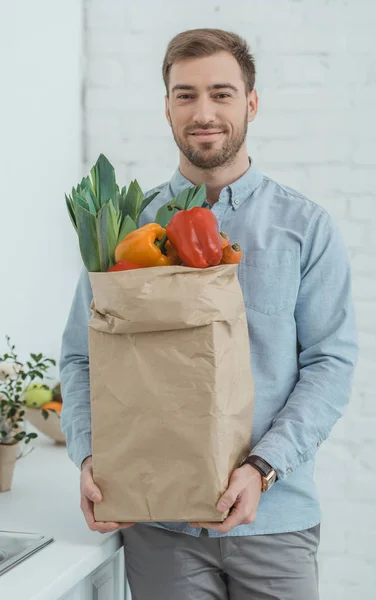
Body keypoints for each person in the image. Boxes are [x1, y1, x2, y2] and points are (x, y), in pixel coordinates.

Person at [60, 28, 359, 600]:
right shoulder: (122, 229)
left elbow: (330, 364)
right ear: (166, 106)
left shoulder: (305, 229)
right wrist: (91, 456)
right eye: (185, 94)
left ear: (250, 103)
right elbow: (81, 355)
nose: (203, 112)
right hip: (158, 524)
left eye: (221, 93)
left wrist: (262, 470)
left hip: (275, 522)